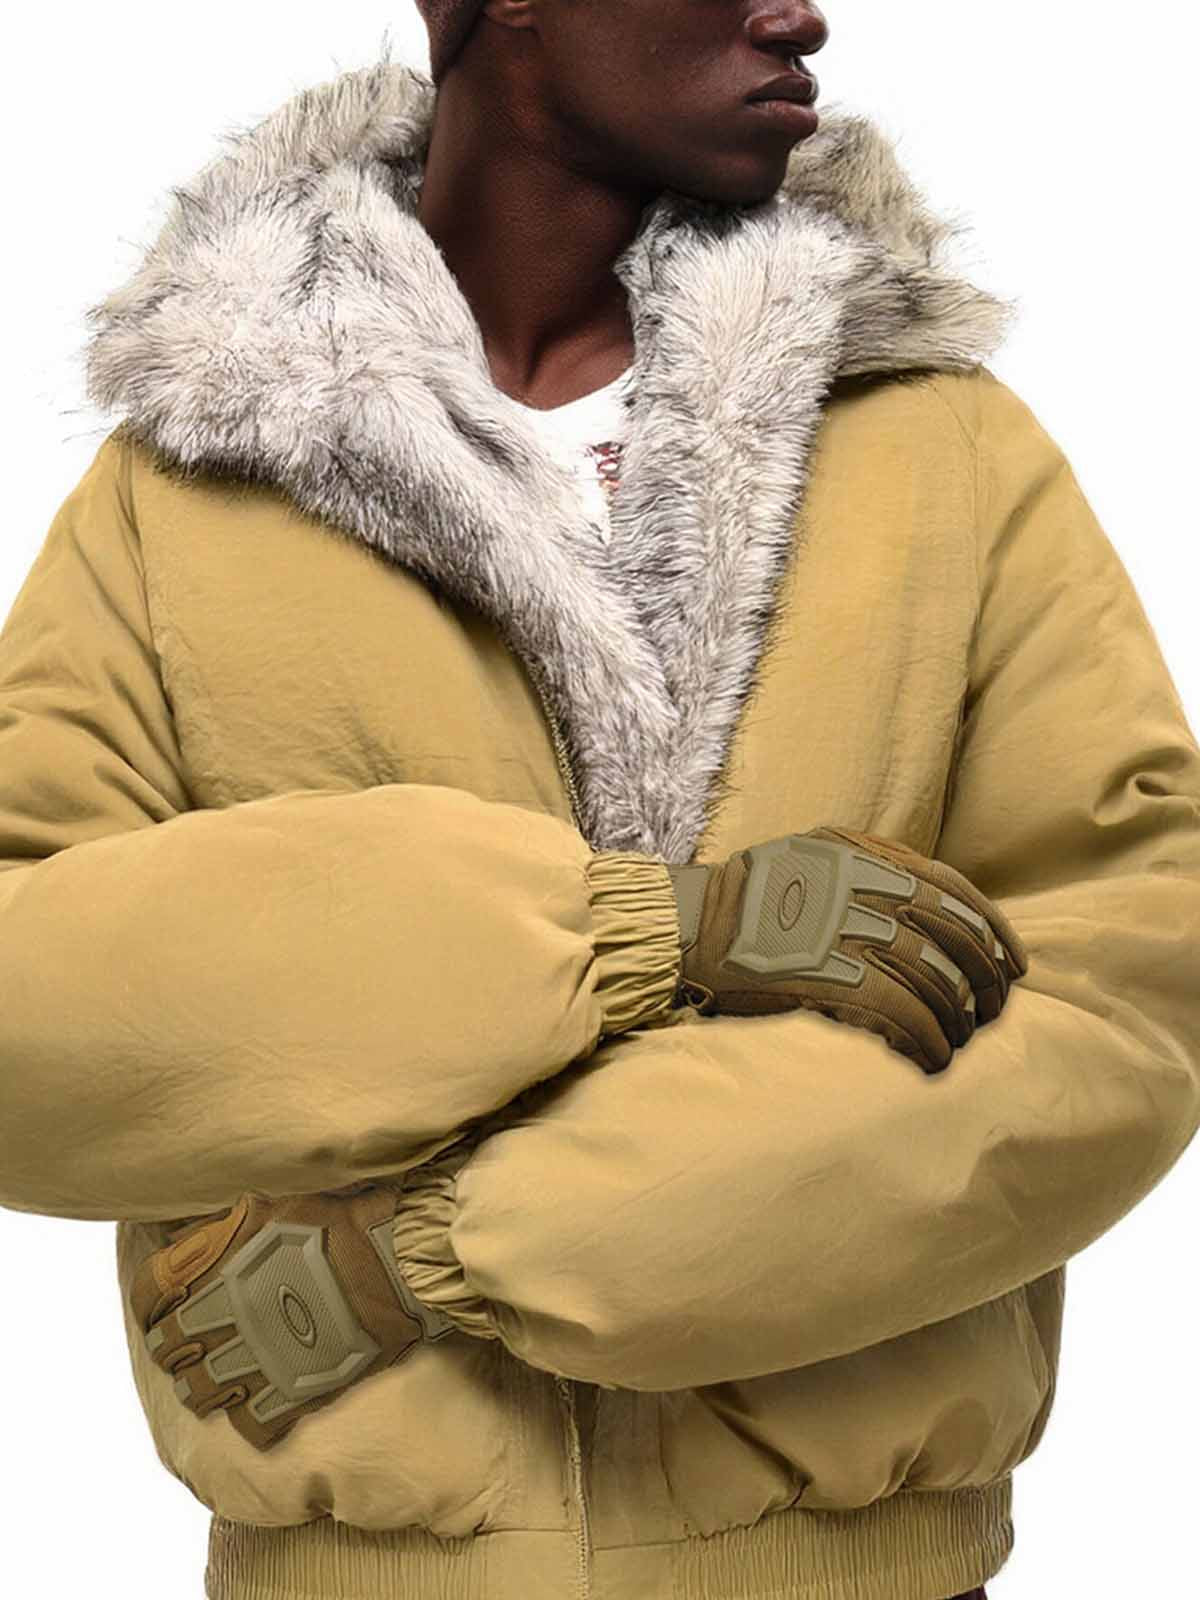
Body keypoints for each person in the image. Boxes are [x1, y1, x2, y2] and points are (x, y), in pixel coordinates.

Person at [1, 3, 1198, 1598]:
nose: (801, 11)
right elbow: (30, 1010)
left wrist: (437, 1256)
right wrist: (653, 931)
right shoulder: (183, 490)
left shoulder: (945, 453)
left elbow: (1124, 996)